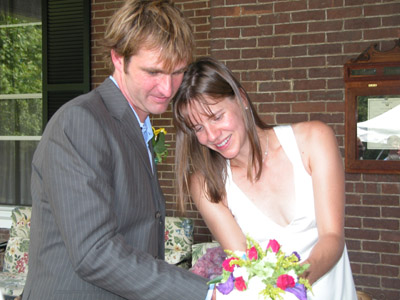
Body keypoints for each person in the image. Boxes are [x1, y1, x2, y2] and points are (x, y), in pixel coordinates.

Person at [22, 1, 214, 299]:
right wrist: (208, 293)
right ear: (117, 58)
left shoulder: (138, 126)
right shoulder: (80, 122)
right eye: (153, 72)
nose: (167, 88)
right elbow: (95, 253)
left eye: (178, 72)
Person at [173, 57, 358, 299]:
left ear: (241, 99)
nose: (212, 135)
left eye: (217, 117)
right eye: (198, 128)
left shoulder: (313, 140)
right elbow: (244, 264)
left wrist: (296, 280)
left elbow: (332, 237)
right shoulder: (206, 183)